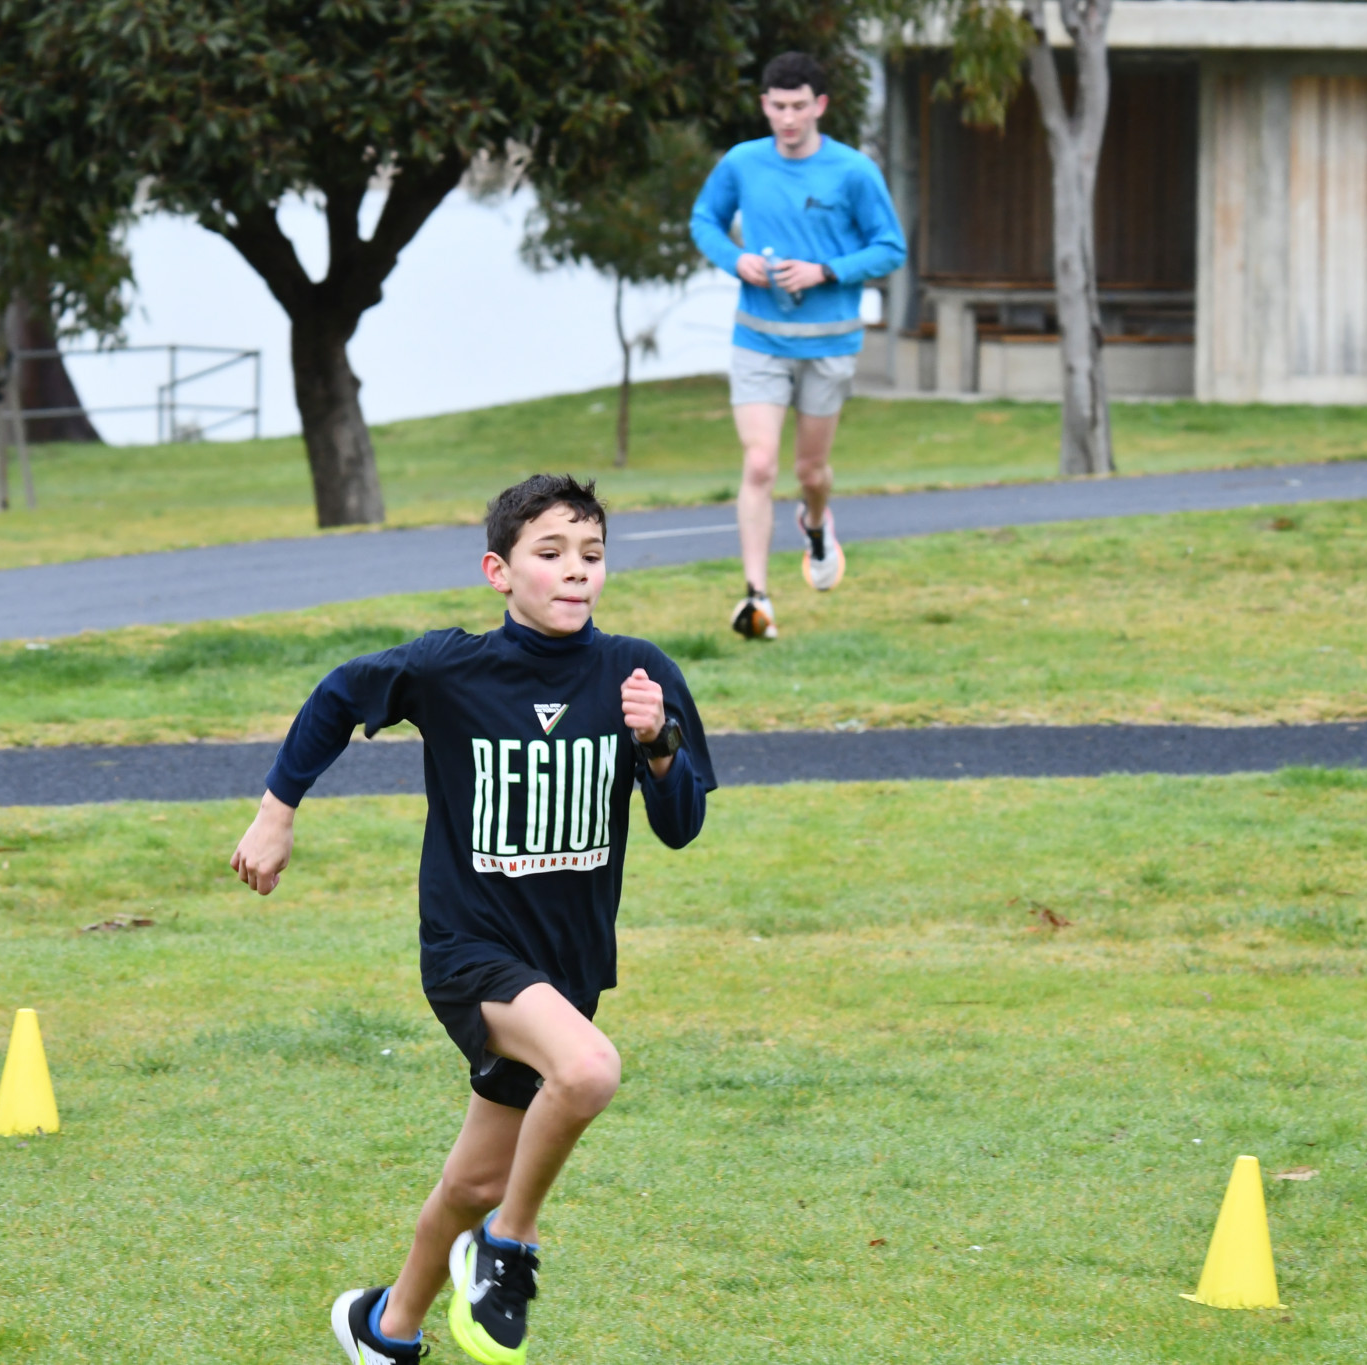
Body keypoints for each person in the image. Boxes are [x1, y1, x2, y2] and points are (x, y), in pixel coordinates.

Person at [230, 474, 715, 1365]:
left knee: (477, 1176)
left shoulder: (639, 676)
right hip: (468, 951)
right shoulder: (452, 669)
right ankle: (509, 1246)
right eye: (551, 553)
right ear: (499, 570)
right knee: (591, 1071)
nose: (576, 572)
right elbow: (340, 694)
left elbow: (682, 827)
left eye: (593, 555)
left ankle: (386, 1328)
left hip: (565, 969)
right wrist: (277, 809)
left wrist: (657, 744)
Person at [689, 51, 906, 642]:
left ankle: (815, 523)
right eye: (778, 107)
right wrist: (736, 260)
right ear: (764, 105)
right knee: (759, 463)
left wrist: (825, 271)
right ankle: (756, 599)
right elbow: (704, 220)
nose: (788, 118)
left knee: (811, 470)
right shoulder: (742, 163)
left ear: (820, 107)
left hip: (829, 342)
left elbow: (890, 248)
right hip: (758, 338)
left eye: (799, 107)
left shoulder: (854, 171)